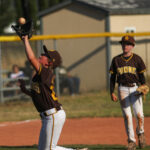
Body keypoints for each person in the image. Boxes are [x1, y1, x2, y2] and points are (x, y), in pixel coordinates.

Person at [18, 35, 87, 150]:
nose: (42, 55)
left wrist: (25, 40)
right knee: (45, 149)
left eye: (45, 55)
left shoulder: (45, 72)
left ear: (49, 63)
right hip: (48, 116)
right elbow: (38, 95)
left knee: (49, 149)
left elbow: (31, 58)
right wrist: (25, 90)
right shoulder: (41, 75)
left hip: (53, 115)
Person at [109, 35, 146, 150]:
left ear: (132, 46)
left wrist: (143, 86)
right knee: (127, 115)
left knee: (139, 114)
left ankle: (140, 133)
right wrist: (112, 92)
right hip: (122, 89)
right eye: (123, 44)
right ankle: (131, 141)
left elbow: (141, 75)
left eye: (128, 44)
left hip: (135, 89)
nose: (125, 46)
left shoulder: (137, 59)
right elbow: (112, 77)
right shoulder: (116, 60)